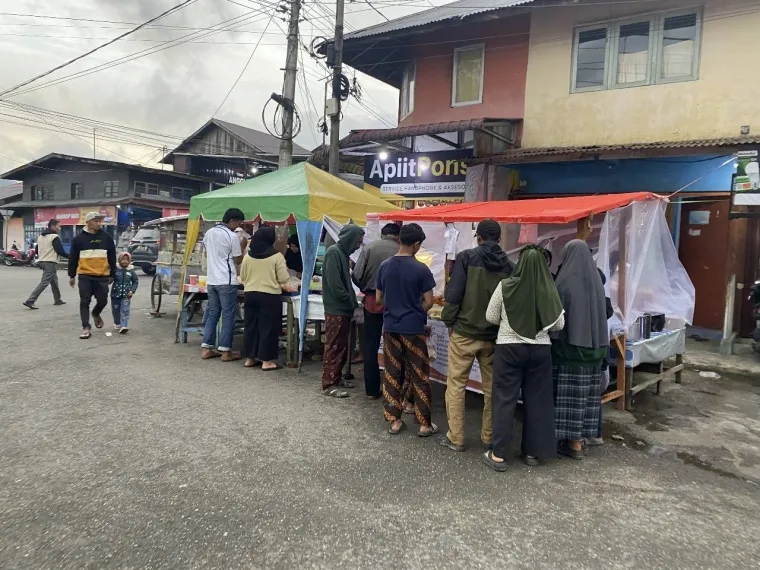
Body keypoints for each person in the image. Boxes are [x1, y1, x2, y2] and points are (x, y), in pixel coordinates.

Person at [482, 246, 565, 471]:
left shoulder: (505, 285)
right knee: (537, 401)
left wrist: (509, 323)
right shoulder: (548, 288)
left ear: (520, 264)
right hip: (540, 350)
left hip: (508, 348)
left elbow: (490, 316)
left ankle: (498, 454)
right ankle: (532, 453)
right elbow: (559, 324)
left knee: (504, 399)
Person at [438, 219, 513, 453]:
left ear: (478, 237)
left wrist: (448, 320)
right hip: (493, 336)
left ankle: (456, 437)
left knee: (456, 385)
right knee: (491, 389)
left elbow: (454, 294)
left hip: (464, 332)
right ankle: (488, 437)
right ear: (499, 239)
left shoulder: (466, 258)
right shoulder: (510, 266)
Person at [376, 223, 438, 437]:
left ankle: (394, 421)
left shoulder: (384, 266)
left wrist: (395, 307)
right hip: (412, 328)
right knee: (419, 374)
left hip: (390, 327)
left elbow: (378, 299)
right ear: (416, 244)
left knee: (392, 373)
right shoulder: (421, 269)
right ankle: (424, 424)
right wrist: (414, 311)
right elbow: (429, 302)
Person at [552, 239, 609, 460]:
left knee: (568, 401)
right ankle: (581, 440)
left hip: (569, 352)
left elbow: (556, 319)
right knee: (586, 400)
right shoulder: (597, 282)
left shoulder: (564, 282)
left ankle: (572, 444)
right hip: (595, 353)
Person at [352, 223, 401, 398]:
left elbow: (356, 275)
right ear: (398, 236)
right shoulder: (401, 250)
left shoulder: (369, 248)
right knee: (395, 346)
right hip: (396, 303)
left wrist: (365, 288)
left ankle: (372, 389)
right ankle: (395, 390)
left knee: (370, 345)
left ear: (382, 234)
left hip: (372, 301)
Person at [240, 226, 294, 371]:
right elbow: (283, 279)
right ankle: (266, 361)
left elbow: (242, 276)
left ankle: (249, 358)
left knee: (251, 326)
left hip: (250, 294)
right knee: (268, 327)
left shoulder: (248, 256)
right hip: (269, 295)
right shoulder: (276, 257)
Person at [321, 224, 365, 397]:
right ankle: (329, 384)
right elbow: (336, 285)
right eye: (357, 242)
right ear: (350, 240)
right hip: (336, 308)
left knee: (343, 346)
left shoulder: (342, 254)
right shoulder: (334, 253)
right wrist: (349, 301)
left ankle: (336, 377)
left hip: (343, 308)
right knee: (334, 345)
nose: (358, 246)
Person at [200, 208, 246, 362]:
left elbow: (208, 252)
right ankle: (226, 351)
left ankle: (207, 348)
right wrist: (243, 246)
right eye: (238, 223)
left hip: (212, 280)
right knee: (228, 316)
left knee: (213, 313)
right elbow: (237, 260)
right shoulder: (232, 236)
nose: (238, 226)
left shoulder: (209, 233)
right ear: (232, 220)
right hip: (226, 280)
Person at [68, 212, 117, 340]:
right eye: (96, 221)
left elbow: (112, 256)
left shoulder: (106, 237)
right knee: (84, 301)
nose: (99, 223)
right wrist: (72, 275)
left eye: (100, 221)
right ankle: (86, 327)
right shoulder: (78, 239)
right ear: (88, 222)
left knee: (103, 300)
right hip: (85, 275)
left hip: (102, 275)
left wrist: (113, 273)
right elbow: (73, 258)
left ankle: (95, 313)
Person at [23, 219, 69, 309]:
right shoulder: (54, 237)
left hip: (42, 261)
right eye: (58, 226)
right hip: (50, 262)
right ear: (53, 226)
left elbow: (36, 250)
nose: (59, 228)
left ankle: (57, 299)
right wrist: (71, 257)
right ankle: (30, 300)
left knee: (54, 280)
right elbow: (60, 251)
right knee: (44, 282)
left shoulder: (40, 237)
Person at [111, 252, 139, 334]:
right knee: (116, 310)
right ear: (119, 260)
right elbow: (110, 279)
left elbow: (135, 281)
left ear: (129, 261)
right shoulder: (115, 270)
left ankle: (124, 325)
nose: (125, 261)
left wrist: (132, 290)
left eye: (127, 260)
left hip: (126, 295)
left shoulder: (131, 271)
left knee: (125, 310)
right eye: (123, 259)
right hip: (115, 294)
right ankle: (117, 323)